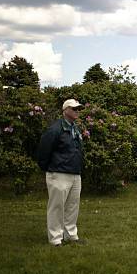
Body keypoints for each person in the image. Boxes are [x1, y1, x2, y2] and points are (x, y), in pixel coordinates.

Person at [37, 99, 85, 247]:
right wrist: (50, 169)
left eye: (78, 109)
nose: (77, 111)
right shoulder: (55, 129)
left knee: (72, 206)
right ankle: (55, 239)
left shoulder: (74, 128)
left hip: (75, 173)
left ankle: (71, 235)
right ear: (65, 110)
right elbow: (43, 151)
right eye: (74, 108)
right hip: (58, 173)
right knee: (57, 207)